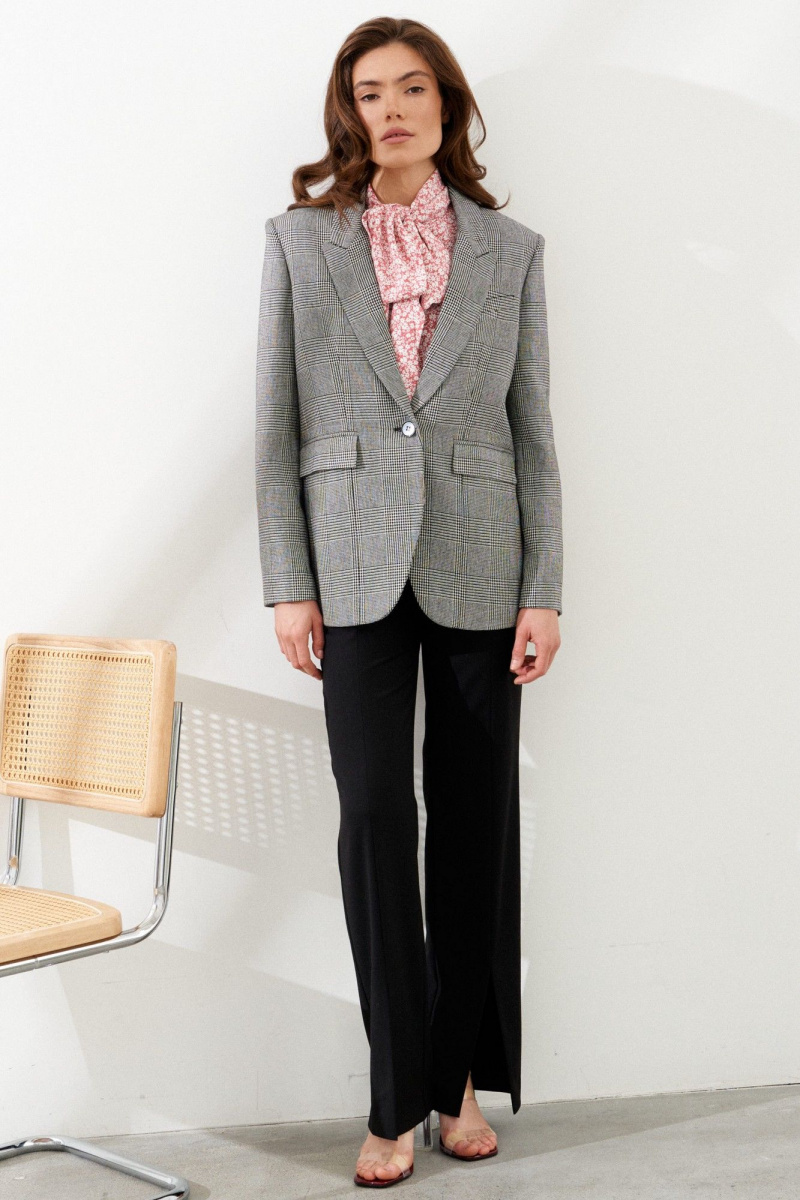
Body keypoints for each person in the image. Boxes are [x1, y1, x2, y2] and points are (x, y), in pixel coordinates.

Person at [255, 16, 563, 1189]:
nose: (390, 109)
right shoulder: (299, 241)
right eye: (369, 92)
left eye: (412, 89)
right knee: (376, 816)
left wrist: (543, 589)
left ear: (447, 106)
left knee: (476, 825)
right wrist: (289, 582)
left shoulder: (510, 250)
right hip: (348, 563)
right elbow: (272, 424)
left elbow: (532, 431)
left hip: (483, 557)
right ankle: (392, 1096)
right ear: (348, 111)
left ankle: (456, 1082)